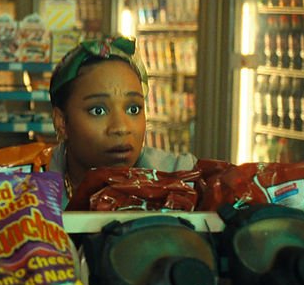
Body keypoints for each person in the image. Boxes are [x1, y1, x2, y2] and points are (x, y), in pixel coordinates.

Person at [48, 34, 196, 204]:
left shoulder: (180, 177)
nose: (121, 127)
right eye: (98, 111)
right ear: (62, 122)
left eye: (133, 109)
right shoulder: (27, 190)